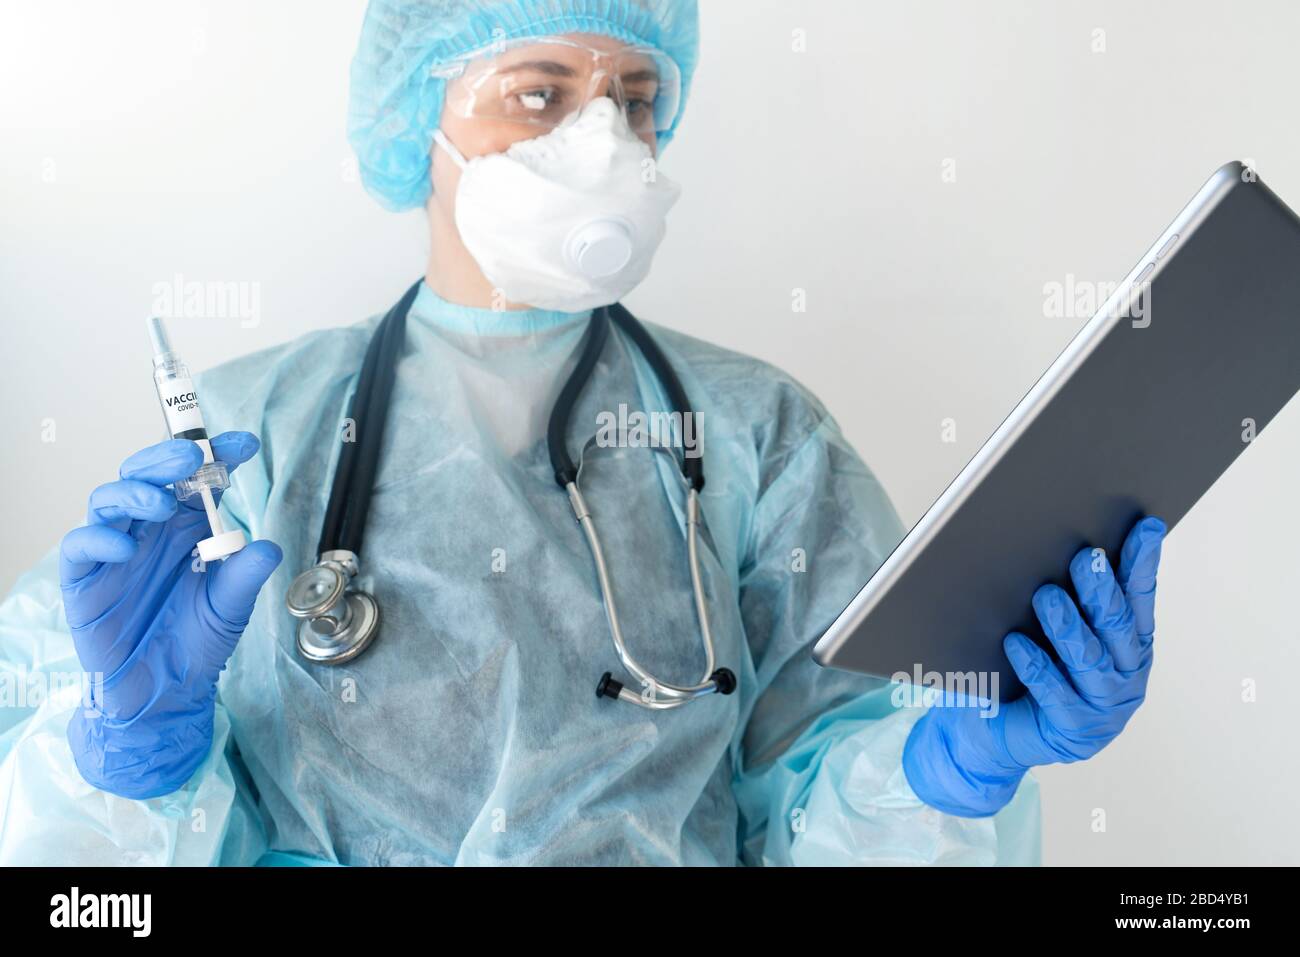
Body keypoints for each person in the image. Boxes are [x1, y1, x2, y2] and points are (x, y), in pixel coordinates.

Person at [0, 0, 1164, 866]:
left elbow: (829, 808)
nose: (602, 141)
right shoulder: (251, 435)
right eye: (543, 91)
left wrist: (953, 770)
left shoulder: (758, 433)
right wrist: (126, 757)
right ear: (422, 117)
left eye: (635, 98)